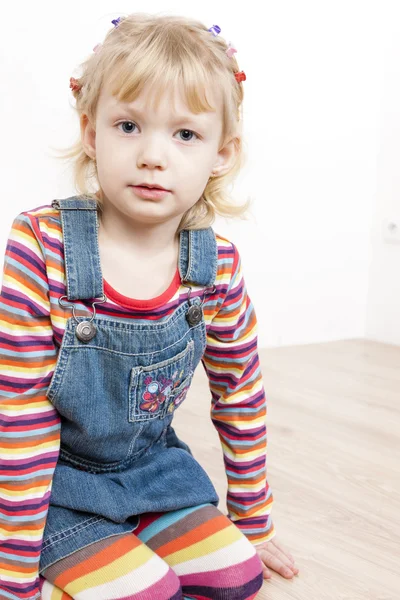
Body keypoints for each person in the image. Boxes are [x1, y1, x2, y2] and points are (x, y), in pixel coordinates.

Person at [0, 12, 299, 600]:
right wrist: (13, 577)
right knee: (149, 594)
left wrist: (253, 518)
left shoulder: (215, 267)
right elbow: (20, 417)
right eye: (129, 125)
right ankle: (69, 549)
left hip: (150, 472)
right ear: (92, 132)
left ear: (222, 152)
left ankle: (130, 536)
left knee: (238, 577)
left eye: (185, 134)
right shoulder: (41, 247)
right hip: (51, 481)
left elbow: (239, 390)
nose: (153, 156)